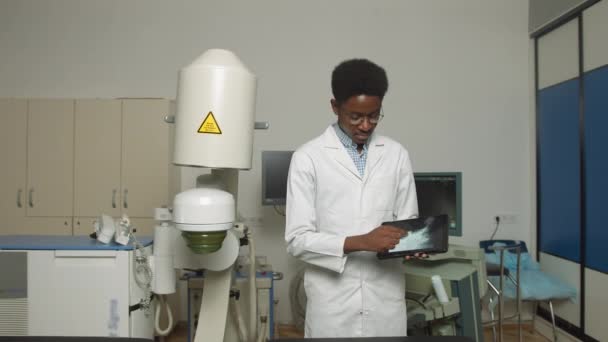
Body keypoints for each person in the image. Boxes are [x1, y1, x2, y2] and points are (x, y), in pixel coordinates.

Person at [285, 58, 419, 338]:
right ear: (335, 107)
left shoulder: (396, 155)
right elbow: (297, 240)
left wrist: (413, 244)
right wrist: (360, 242)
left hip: (385, 299)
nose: (366, 125)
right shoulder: (308, 158)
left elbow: (407, 223)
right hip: (333, 303)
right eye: (355, 116)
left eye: (374, 115)